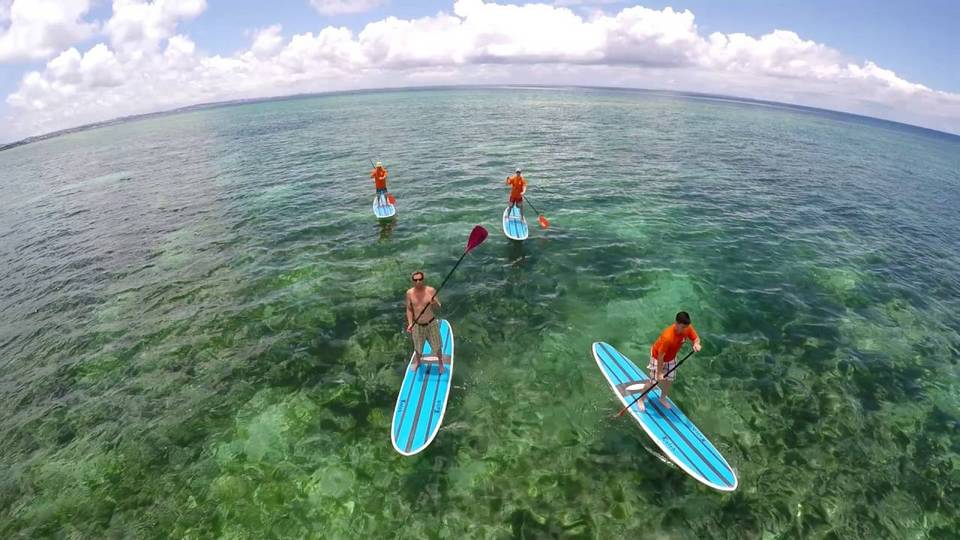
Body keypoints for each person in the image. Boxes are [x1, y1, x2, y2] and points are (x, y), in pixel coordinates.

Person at [637, 311, 702, 411]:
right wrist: (659, 373)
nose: (685, 330)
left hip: (671, 358)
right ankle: (641, 399)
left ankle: (662, 398)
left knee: (669, 380)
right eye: (683, 327)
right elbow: (660, 356)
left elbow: (696, 338)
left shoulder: (687, 328)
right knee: (653, 382)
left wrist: (696, 344)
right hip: (657, 357)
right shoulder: (667, 337)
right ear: (676, 323)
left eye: (686, 327)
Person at [405, 270, 447, 373]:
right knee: (418, 347)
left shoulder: (430, 290)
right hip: (417, 325)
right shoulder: (409, 293)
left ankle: (440, 362)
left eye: (420, 279)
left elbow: (439, 306)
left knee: (437, 346)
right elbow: (409, 309)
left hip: (431, 323)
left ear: (423, 280)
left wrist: (434, 303)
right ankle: (418, 362)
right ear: (412, 281)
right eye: (415, 280)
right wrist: (410, 323)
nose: (418, 281)